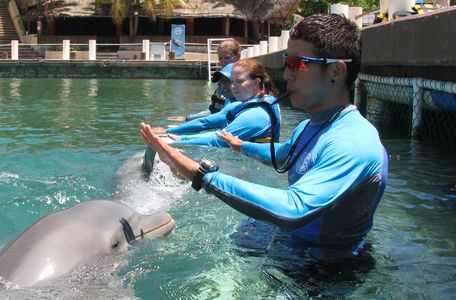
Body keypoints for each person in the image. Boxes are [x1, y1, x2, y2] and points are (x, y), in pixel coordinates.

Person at [140, 13, 388, 262]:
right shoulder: (309, 126)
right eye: (285, 61)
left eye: (296, 63)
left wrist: (200, 174)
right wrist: (242, 146)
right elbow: (283, 154)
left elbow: (294, 209)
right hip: (292, 250)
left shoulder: (354, 142)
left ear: (336, 70)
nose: (286, 73)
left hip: (323, 272)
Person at [154, 59, 281, 148]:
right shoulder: (238, 106)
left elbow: (218, 138)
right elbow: (215, 129)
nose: (232, 87)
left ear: (256, 83)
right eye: (232, 81)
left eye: (239, 81)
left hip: (254, 171)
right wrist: (174, 134)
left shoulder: (256, 114)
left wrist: (177, 138)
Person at [169, 40, 241, 122]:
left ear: (238, 57)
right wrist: (188, 118)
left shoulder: (240, 81)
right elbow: (214, 111)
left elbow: (223, 116)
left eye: (227, 58)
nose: (223, 62)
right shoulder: (221, 77)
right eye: (220, 58)